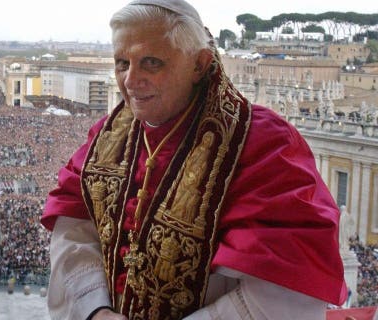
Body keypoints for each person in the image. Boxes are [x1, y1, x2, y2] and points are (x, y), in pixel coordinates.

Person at [40, 1, 348, 319]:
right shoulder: (107, 136)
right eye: (122, 63)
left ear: (199, 64)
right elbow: (75, 226)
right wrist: (95, 311)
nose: (131, 80)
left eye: (151, 63)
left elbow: (284, 292)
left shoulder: (263, 143)